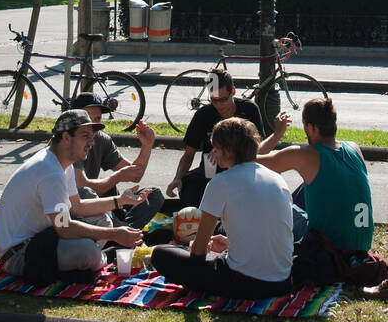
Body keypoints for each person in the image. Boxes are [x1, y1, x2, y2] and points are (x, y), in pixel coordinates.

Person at [0, 109, 144, 284]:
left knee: (102, 221)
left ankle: (91, 259)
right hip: (18, 255)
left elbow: (77, 207)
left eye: (92, 136)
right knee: (87, 251)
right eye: (85, 136)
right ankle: (99, 258)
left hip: (43, 237)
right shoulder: (50, 171)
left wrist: (120, 201)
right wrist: (114, 235)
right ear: (66, 137)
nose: (91, 143)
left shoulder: (64, 165)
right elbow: (64, 227)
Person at [152, 117, 293, 298]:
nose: (214, 153)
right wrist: (230, 247)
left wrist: (196, 249)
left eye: (216, 148)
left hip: (245, 283)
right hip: (283, 282)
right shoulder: (276, 178)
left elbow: (199, 251)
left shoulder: (222, 181)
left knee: (161, 254)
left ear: (227, 150)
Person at [257, 96, 374, 253]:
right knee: (310, 185)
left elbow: (251, 161)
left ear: (312, 128)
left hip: (328, 251)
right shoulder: (354, 149)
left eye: (305, 126)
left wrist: (278, 133)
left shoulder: (307, 155)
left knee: (274, 202)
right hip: (362, 245)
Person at [165, 69, 263, 209]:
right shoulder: (203, 114)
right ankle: (197, 222)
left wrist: (224, 152)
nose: (219, 105)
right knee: (188, 186)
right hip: (209, 172)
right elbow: (188, 153)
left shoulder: (249, 109)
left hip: (241, 169)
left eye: (223, 100)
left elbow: (258, 148)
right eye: (214, 100)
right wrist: (177, 178)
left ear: (233, 92)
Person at [73, 94, 164, 231]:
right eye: (87, 120)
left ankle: (120, 230)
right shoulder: (68, 144)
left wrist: (146, 145)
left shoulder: (101, 139)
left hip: (99, 204)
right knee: (88, 192)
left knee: (154, 195)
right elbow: (82, 189)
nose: (93, 127)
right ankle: (121, 231)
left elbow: (135, 174)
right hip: (76, 208)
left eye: (97, 120)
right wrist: (116, 178)